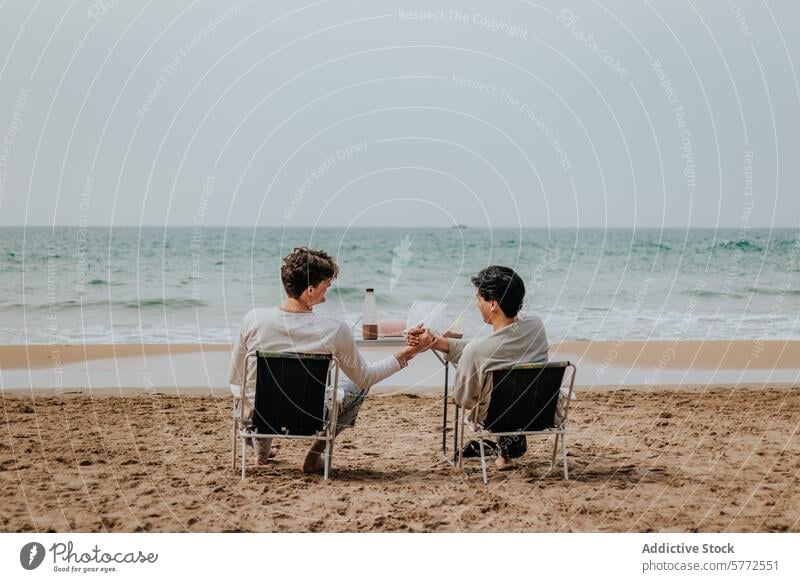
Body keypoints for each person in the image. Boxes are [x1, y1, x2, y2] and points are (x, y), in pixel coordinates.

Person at [229, 247, 433, 474]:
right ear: (309, 289)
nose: (329, 286)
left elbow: (237, 377)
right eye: (326, 282)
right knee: (356, 385)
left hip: (258, 418)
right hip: (311, 417)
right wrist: (410, 352)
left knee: (259, 387)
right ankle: (314, 457)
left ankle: (260, 452)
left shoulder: (253, 319)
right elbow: (366, 377)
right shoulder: (334, 330)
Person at [408, 266, 548, 470]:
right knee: (513, 386)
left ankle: (503, 450)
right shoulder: (536, 326)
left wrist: (471, 368)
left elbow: (463, 399)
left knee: (495, 395)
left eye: (478, 299)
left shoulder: (477, 351)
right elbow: (496, 348)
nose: (476, 304)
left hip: (496, 417)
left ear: (492, 304)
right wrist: (436, 342)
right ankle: (504, 452)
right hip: (539, 412)